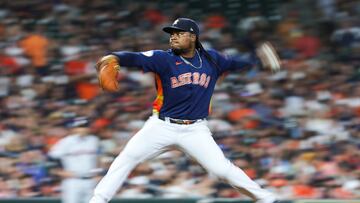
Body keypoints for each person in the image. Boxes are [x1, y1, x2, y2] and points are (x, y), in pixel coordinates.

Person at [90, 18, 279, 203]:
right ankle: (98, 200)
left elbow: (238, 63)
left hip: (195, 130)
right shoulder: (163, 58)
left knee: (221, 170)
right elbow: (135, 58)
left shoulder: (212, 59)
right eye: (171, 34)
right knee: (127, 158)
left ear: (193, 37)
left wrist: (258, 61)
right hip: (161, 126)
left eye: (179, 34)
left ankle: (265, 198)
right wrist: (114, 57)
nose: (173, 37)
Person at [49, 118, 100, 203]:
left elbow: (98, 158)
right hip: (73, 181)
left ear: (89, 128)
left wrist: (98, 173)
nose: (82, 129)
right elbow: (51, 159)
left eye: (84, 127)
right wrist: (59, 172)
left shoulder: (94, 140)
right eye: (79, 127)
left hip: (91, 180)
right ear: (74, 128)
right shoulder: (66, 142)